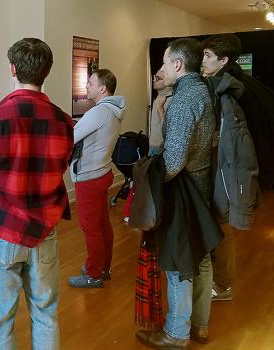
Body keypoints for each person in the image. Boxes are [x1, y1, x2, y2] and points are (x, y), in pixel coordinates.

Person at [0, 38, 74, 349]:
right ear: (47, 71)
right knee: (46, 314)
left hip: (3, 226)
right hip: (44, 228)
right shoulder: (63, 121)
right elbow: (62, 165)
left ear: (12, 69)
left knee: (1, 319)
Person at [136, 38, 216, 349]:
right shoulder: (203, 90)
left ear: (178, 65)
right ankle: (200, 325)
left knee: (179, 262)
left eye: (164, 63)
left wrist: (148, 184)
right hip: (201, 183)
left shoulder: (183, 99)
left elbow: (174, 159)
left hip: (185, 191)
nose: (161, 69)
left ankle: (176, 333)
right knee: (201, 256)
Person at [201, 33, 261, 303]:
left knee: (222, 230)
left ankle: (223, 285)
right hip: (215, 173)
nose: (202, 61)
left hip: (222, 176)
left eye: (208, 56)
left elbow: (235, 148)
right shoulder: (221, 89)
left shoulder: (226, 95)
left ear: (223, 60)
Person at [67, 69, 125, 288]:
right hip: (102, 173)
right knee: (102, 225)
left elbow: (70, 138)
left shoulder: (99, 112)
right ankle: (103, 267)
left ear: (102, 88)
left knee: (91, 227)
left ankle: (93, 274)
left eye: (90, 83)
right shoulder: (113, 110)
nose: (86, 86)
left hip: (89, 177)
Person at [148, 70, 172, 155]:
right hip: (153, 145)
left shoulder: (171, 100)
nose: (154, 80)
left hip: (162, 148)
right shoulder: (159, 96)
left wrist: (160, 108)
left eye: (158, 78)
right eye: (154, 77)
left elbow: (169, 129)